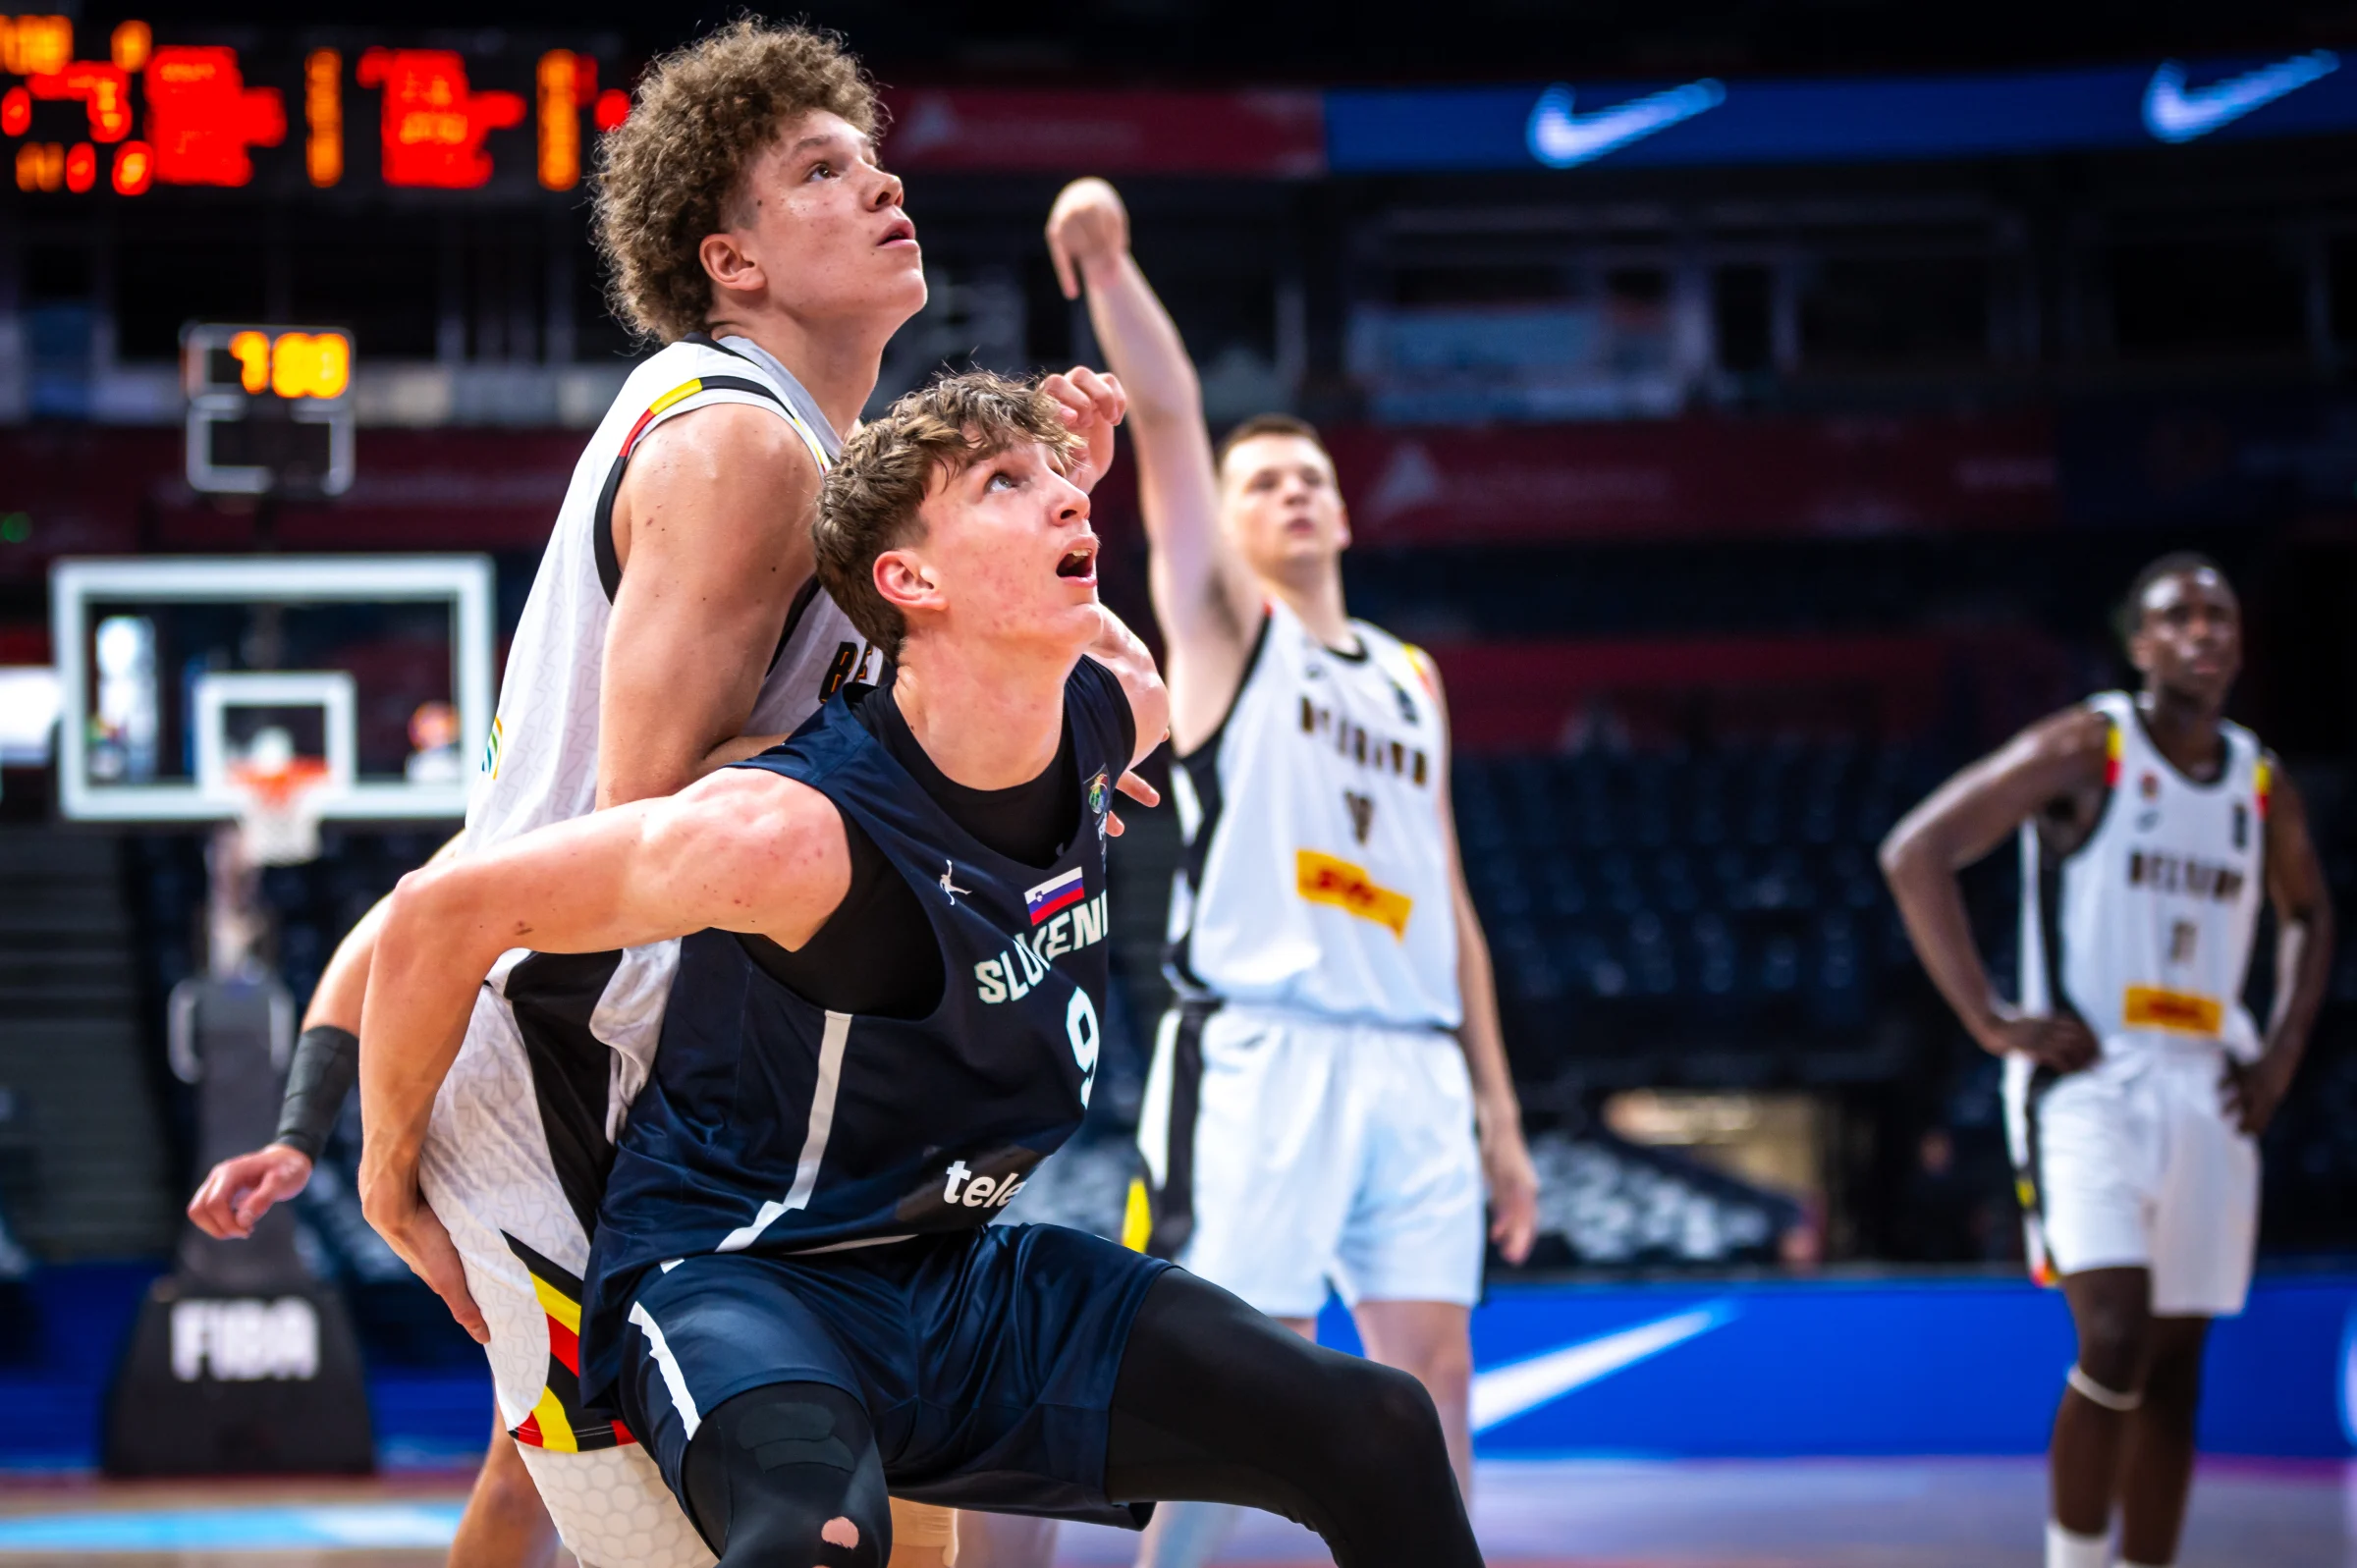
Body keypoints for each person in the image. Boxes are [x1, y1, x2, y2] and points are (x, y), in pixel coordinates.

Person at [188, 23, 1126, 1567]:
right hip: (580, 1075)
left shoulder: (815, 456)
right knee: (786, 1526)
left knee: (880, 1501)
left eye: (875, 160)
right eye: (819, 172)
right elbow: (649, 810)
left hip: (659, 1063)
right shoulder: (741, 444)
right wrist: (373, 1148)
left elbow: (484, 856)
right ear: (731, 261)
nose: (881, 186)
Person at [357, 371, 1485, 1568]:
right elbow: (438, 911)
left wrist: (1037, 516)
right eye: (1006, 484)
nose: (1067, 499)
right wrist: (389, 1179)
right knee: (821, 1539)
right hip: (748, 1278)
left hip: (960, 1271)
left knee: (1378, 1424)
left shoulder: (1115, 712)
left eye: (1062, 484)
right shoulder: (788, 833)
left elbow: (1113, 667)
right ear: (909, 582)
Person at [1040, 177, 1538, 1566]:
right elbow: (1173, 420)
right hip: (1264, 1044)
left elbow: (1449, 900)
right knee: (1237, 1378)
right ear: (1232, 524)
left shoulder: (1412, 677)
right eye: (1265, 482)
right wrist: (1111, 266)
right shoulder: (1224, 632)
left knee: (1429, 1375)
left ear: (1347, 516)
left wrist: (1498, 1108)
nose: (1295, 490)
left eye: (1313, 475)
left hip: (1415, 1057)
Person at [1880, 555, 2333, 1568]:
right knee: (2116, 1334)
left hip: (2211, 1080)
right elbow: (1917, 851)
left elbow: (2310, 913)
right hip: (2091, 1082)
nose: (2202, 632)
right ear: (2138, 645)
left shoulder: (2261, 781)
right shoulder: (2093, 745)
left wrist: (2281, 1053)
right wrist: (1990, 1017)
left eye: (2219, 615)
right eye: (2177, 617)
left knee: (2175, 1365)